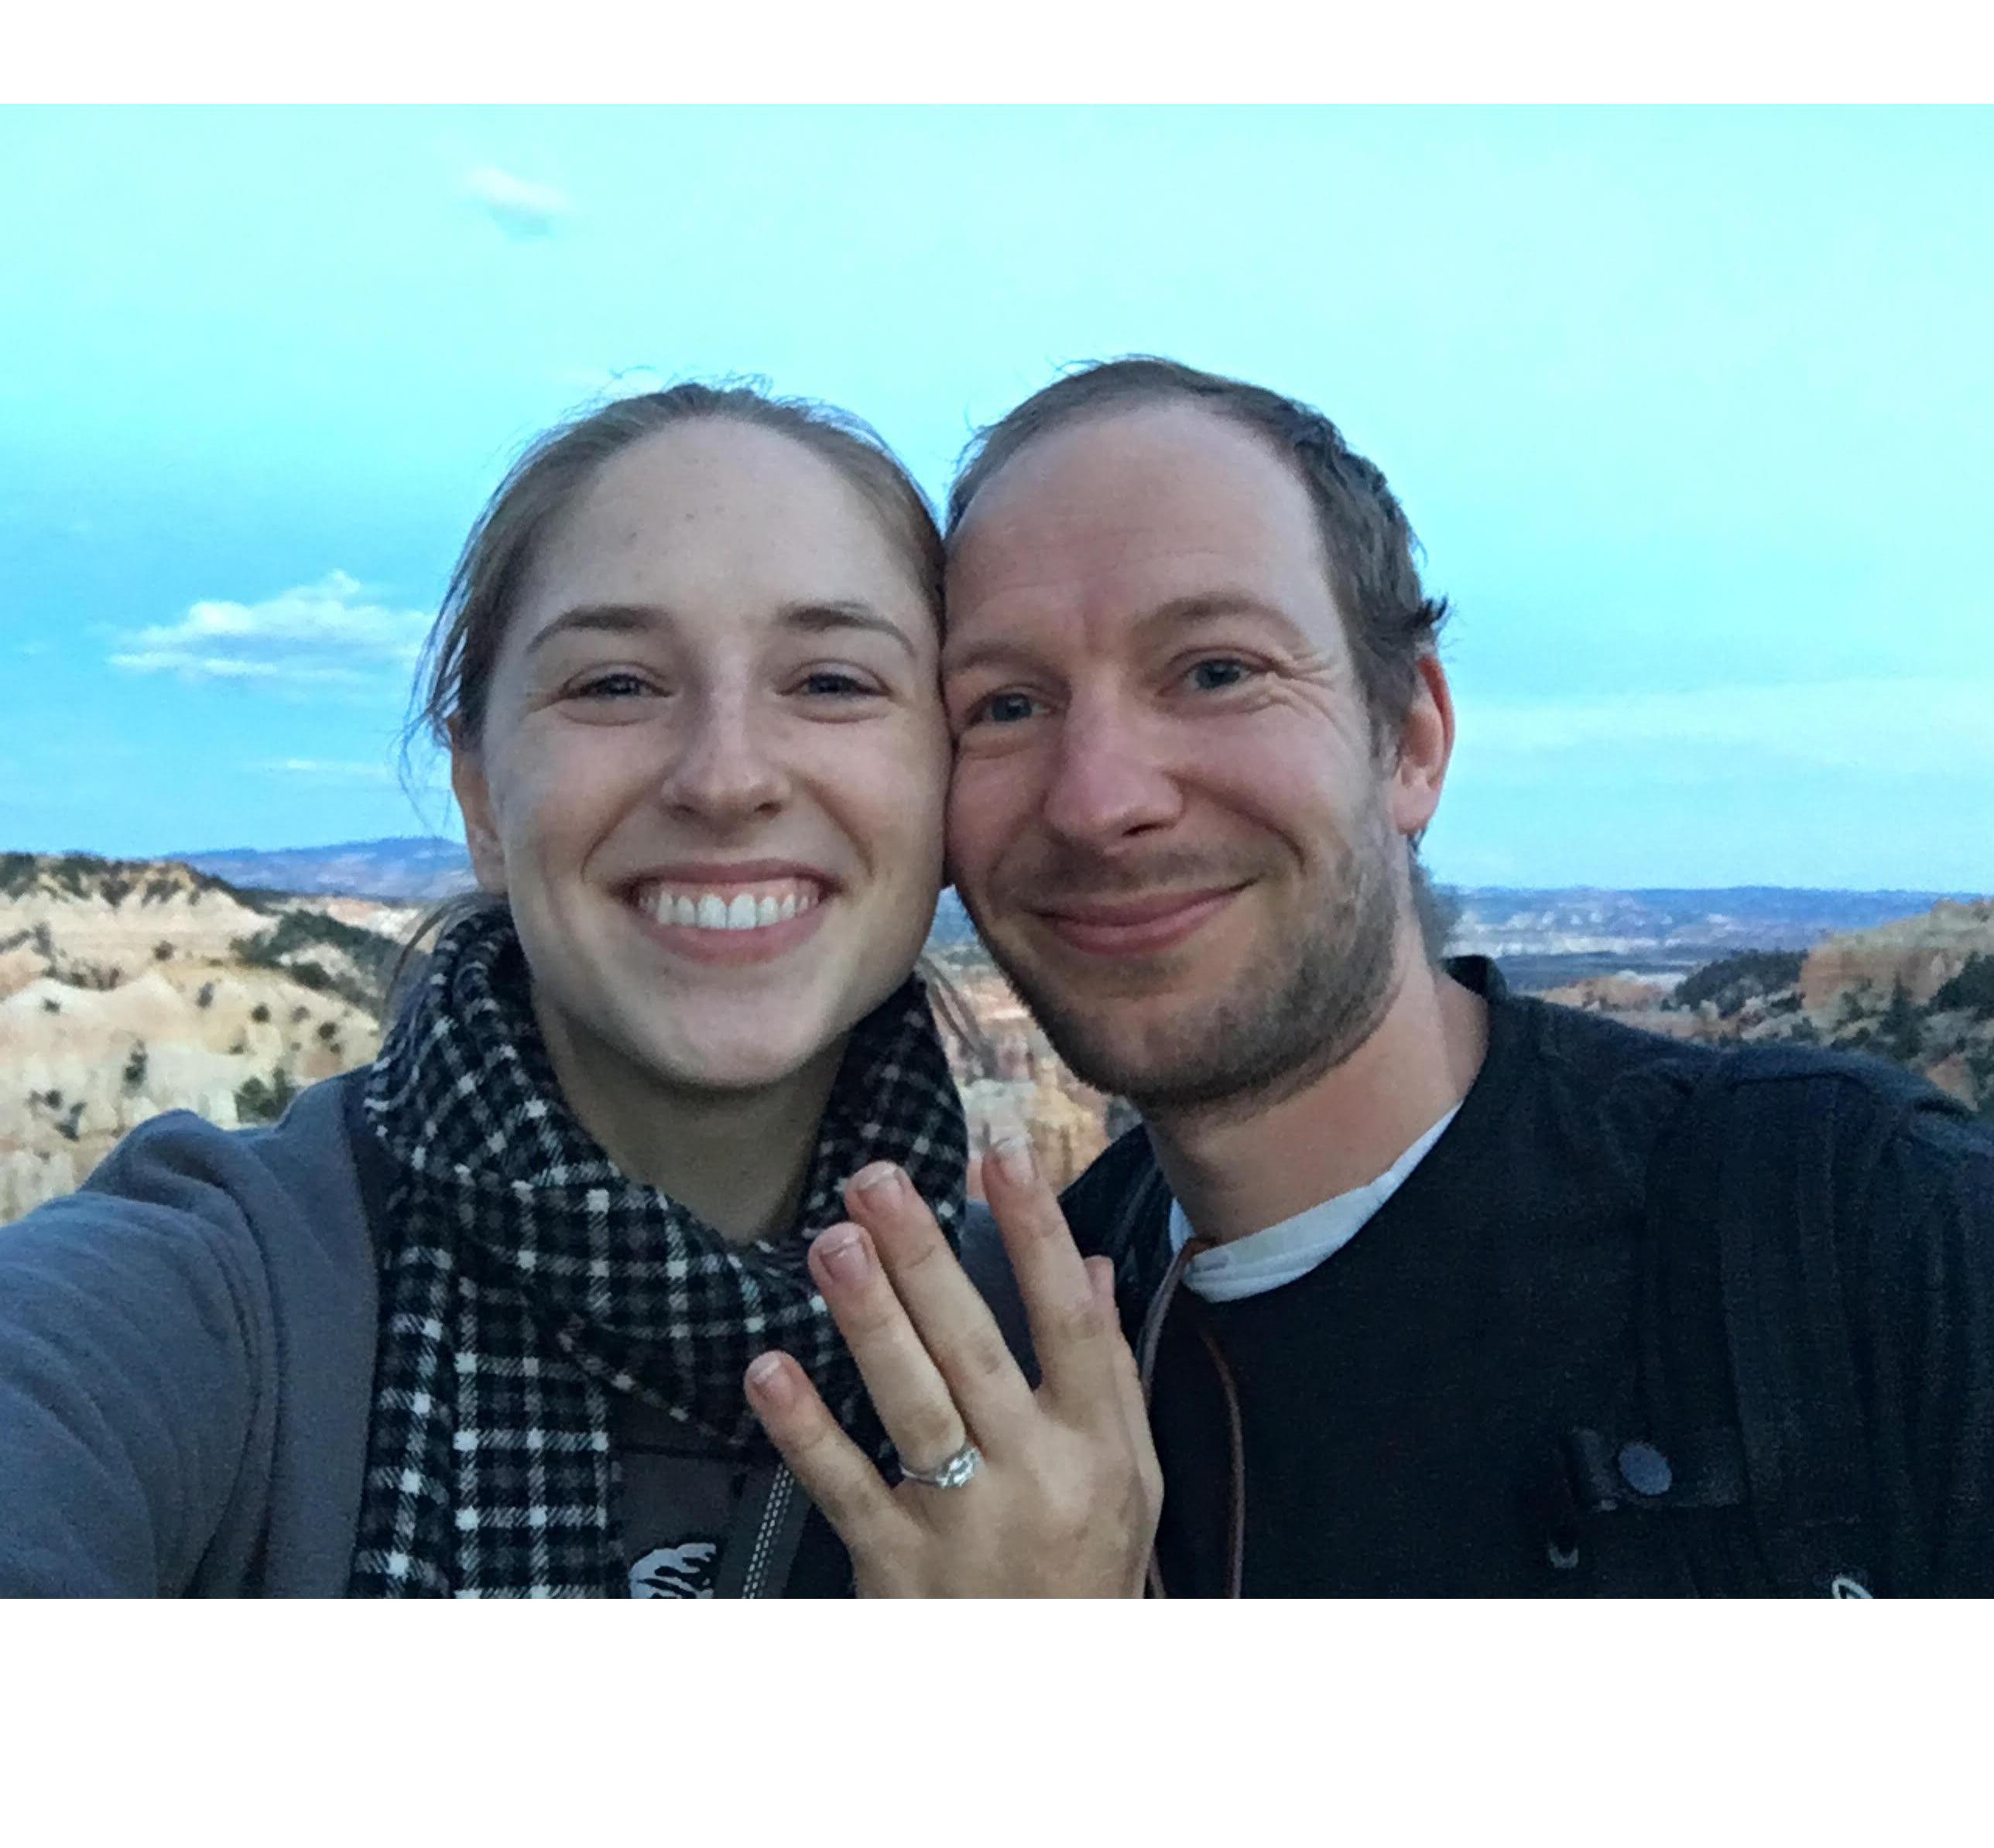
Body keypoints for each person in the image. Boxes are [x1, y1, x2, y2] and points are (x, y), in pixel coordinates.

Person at [767, 353, 1994, 1597]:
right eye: (1008, 704)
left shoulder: (1865, 1237)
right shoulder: (999, 1353)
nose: (1099, 802)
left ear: (1410, 741)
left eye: (1216, 671)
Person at [0, 381, 1159, 1599]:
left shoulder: (1069, 1375)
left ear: (945, 778)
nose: (726, 777)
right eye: (614, 684)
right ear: (484, 795)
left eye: (830, 682)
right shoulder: (211, 1305)